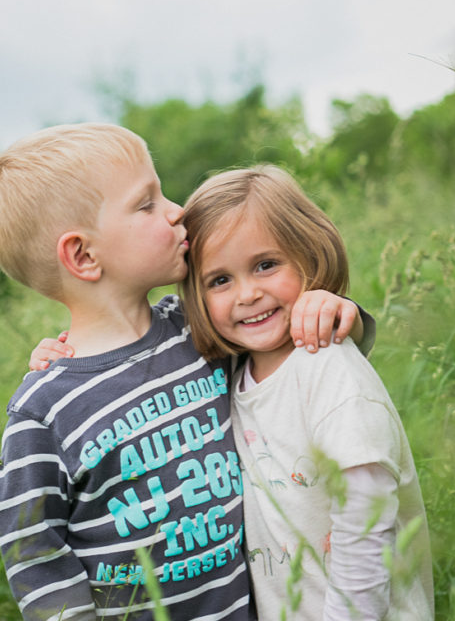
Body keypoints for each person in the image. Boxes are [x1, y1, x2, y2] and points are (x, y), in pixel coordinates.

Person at [0, 123, 360, 620]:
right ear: (84, 255)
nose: (178, 211)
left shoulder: (197, 331)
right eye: (146, 203)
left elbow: (290, 355)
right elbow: (35, 552)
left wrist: (327, 310)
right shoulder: (44, 410)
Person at [178, 165, 433, 620]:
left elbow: (365, 521)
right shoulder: (231, 371)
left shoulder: (328, 369)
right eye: (220, 280)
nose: (247, 294)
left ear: (310, 256)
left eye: (265, 265)